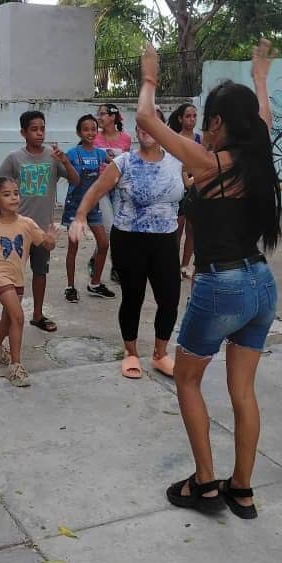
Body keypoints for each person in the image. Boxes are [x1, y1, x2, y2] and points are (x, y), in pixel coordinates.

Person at [136, 39, 281, 520]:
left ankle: (204, 482)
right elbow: (264, 117)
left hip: (221, 285)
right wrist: (260, 77)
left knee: (188, 380)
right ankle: (242, 489)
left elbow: (147, 122)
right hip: (261, 283)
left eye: (209, 120)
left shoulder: (212, 162)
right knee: (244, 392)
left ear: (217, 124)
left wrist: (151, 78)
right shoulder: (258, 157)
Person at [69, 111, 184, 379]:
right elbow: (97, 189)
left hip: (166, 238)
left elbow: (206, 173)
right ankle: (131, 353)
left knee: (169, 299)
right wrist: (81, 216)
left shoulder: (177, 161)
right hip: (130, 238)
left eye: (151, 124)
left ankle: (160, 353)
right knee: (134, 297)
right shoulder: (125, 162)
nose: (145, 129)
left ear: (163, 128)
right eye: (141, 124)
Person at [0, 110, 79, 332]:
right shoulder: (15, 158)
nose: (39, 133)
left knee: (40, 273)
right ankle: (11, 315)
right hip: (15, 229)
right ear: (23, 132)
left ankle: (37, 315)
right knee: (11, 277)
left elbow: (75, 180)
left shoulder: (53, 155)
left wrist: (65, 162)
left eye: (42, 128)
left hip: (40, 230)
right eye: (34, 129)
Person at [0, 177, 58, 387]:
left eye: (16, 193)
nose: (13, 197)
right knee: (18, 317)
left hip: (18, 278)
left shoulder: (27, 224)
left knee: (7, 319)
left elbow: (46, 245)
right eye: (7, 194)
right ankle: (15, 367)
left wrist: (51, 238)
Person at [62, 114, 115, 302]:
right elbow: (63, 172)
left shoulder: (100, 153)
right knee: (73, 247)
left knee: (103, 243)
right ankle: (70, 287)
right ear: (79, 132)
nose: (90, 133)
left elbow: (116, 164)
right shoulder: (71, 153)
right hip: (75, 208)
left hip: (93, 207)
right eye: (86, 129)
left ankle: (95, 283)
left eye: (93, 129)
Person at [92, 104, 132, 283]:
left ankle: (111, 264)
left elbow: (128, 164)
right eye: (98, 114)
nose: (99, 117)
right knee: (109, 229)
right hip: (100, 187)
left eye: (102, 114)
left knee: (118, 228)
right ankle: (105, 260)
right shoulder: (94, 137)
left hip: (118, 187)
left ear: (113, 117)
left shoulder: (125, 138)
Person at [168, 103, 201, 278]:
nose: (192, 119)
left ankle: (184, 265)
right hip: (178, 188)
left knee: (192, 229)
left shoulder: (200, 139)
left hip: (195, 188)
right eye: (188, 116)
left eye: (194, 116)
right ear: (180, 118)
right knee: (177, 228)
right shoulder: (174, 139)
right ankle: (172, 264)